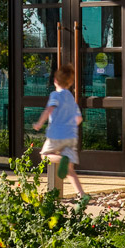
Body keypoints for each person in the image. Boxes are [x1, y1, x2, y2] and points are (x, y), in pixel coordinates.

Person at [31, 54, 89, 200]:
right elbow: (79, 118)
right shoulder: (70, 97)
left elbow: (49, 110)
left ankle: (61, 158)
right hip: (71, 135)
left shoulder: (55, 95)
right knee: (70, 170)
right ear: (69, 83)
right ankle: (82, 194)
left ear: (55, 80)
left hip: (56, 134)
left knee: (44, 155)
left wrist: (39, 123)